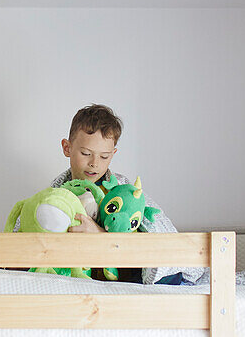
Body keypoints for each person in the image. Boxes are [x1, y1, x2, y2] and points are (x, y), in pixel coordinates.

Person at [50, 104, 186, 284]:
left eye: (104, 156)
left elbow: (154, 236)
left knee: (167, 272)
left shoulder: (123, 190)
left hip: (124, 272)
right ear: (67, 148)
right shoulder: (57, 194)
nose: (94, 163)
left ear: (113, 154)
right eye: (85, 153)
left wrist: (100, 236)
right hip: (81, 272)